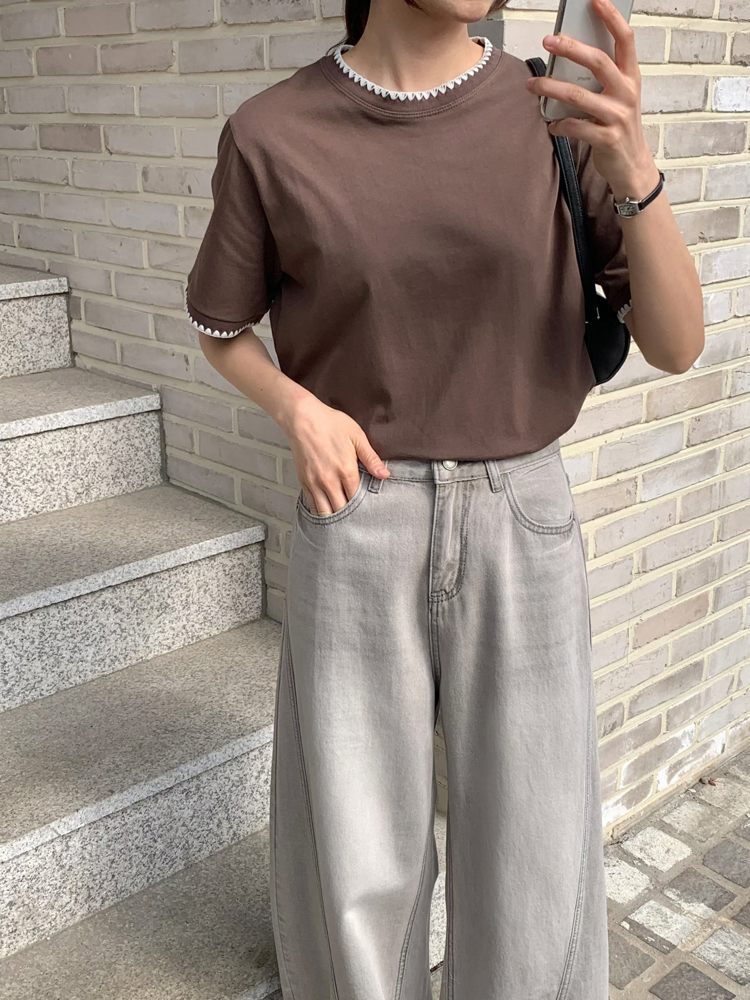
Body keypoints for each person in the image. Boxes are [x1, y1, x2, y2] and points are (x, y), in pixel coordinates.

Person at [184, 0, 704, 996]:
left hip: (524, 520)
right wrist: (298, 410)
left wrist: (634, 170)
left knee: (535, 859)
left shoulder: (554, 112)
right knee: (353, 866)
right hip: (359, 518)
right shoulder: (271, 132)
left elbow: (677, 345)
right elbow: (221, 326)